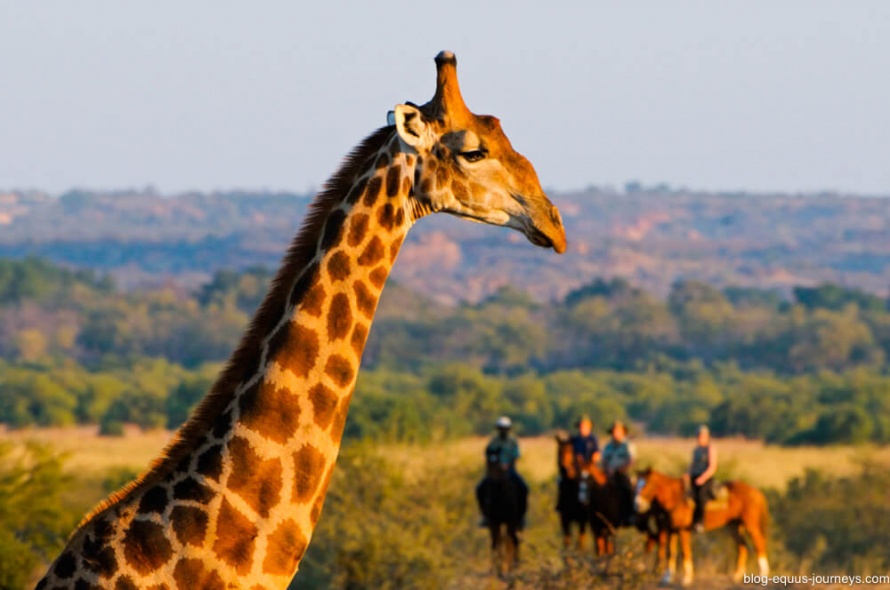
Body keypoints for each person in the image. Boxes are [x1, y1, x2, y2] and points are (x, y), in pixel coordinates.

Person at [476, 416, 529, 529]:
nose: (503, 430)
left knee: (524, 488)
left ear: (509, 429)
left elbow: (516, 455)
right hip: (494, 471)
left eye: (505, 428)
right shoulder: (493, 441)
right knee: (479, 489)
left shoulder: (512, 441)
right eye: (501, 428)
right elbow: (488, 454)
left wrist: (507, 464)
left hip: (510, 470)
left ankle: (521, 517)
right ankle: (485, 516)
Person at [601, 420, 637, 525]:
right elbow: (603, 460)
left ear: (623, 432)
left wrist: (620, 469)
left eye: (618, 431)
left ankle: (630, 515)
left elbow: (632, 460)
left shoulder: (628, 445)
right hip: (608, 474)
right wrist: (607, 470)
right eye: (614, 431)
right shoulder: (608, 446)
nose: (616, 433)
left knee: (627, 489)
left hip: (623, 473)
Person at [689, 424, 717, 533]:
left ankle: (700, 522)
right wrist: (687, 474)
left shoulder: (710, 449)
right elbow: (692, 464)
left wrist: (703, 478)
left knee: (701, 497)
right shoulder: (696, 450)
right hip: (694, 476)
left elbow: (712, 466)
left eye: (701, 436)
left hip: (705, 478)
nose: (699, 438)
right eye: (698, 435)